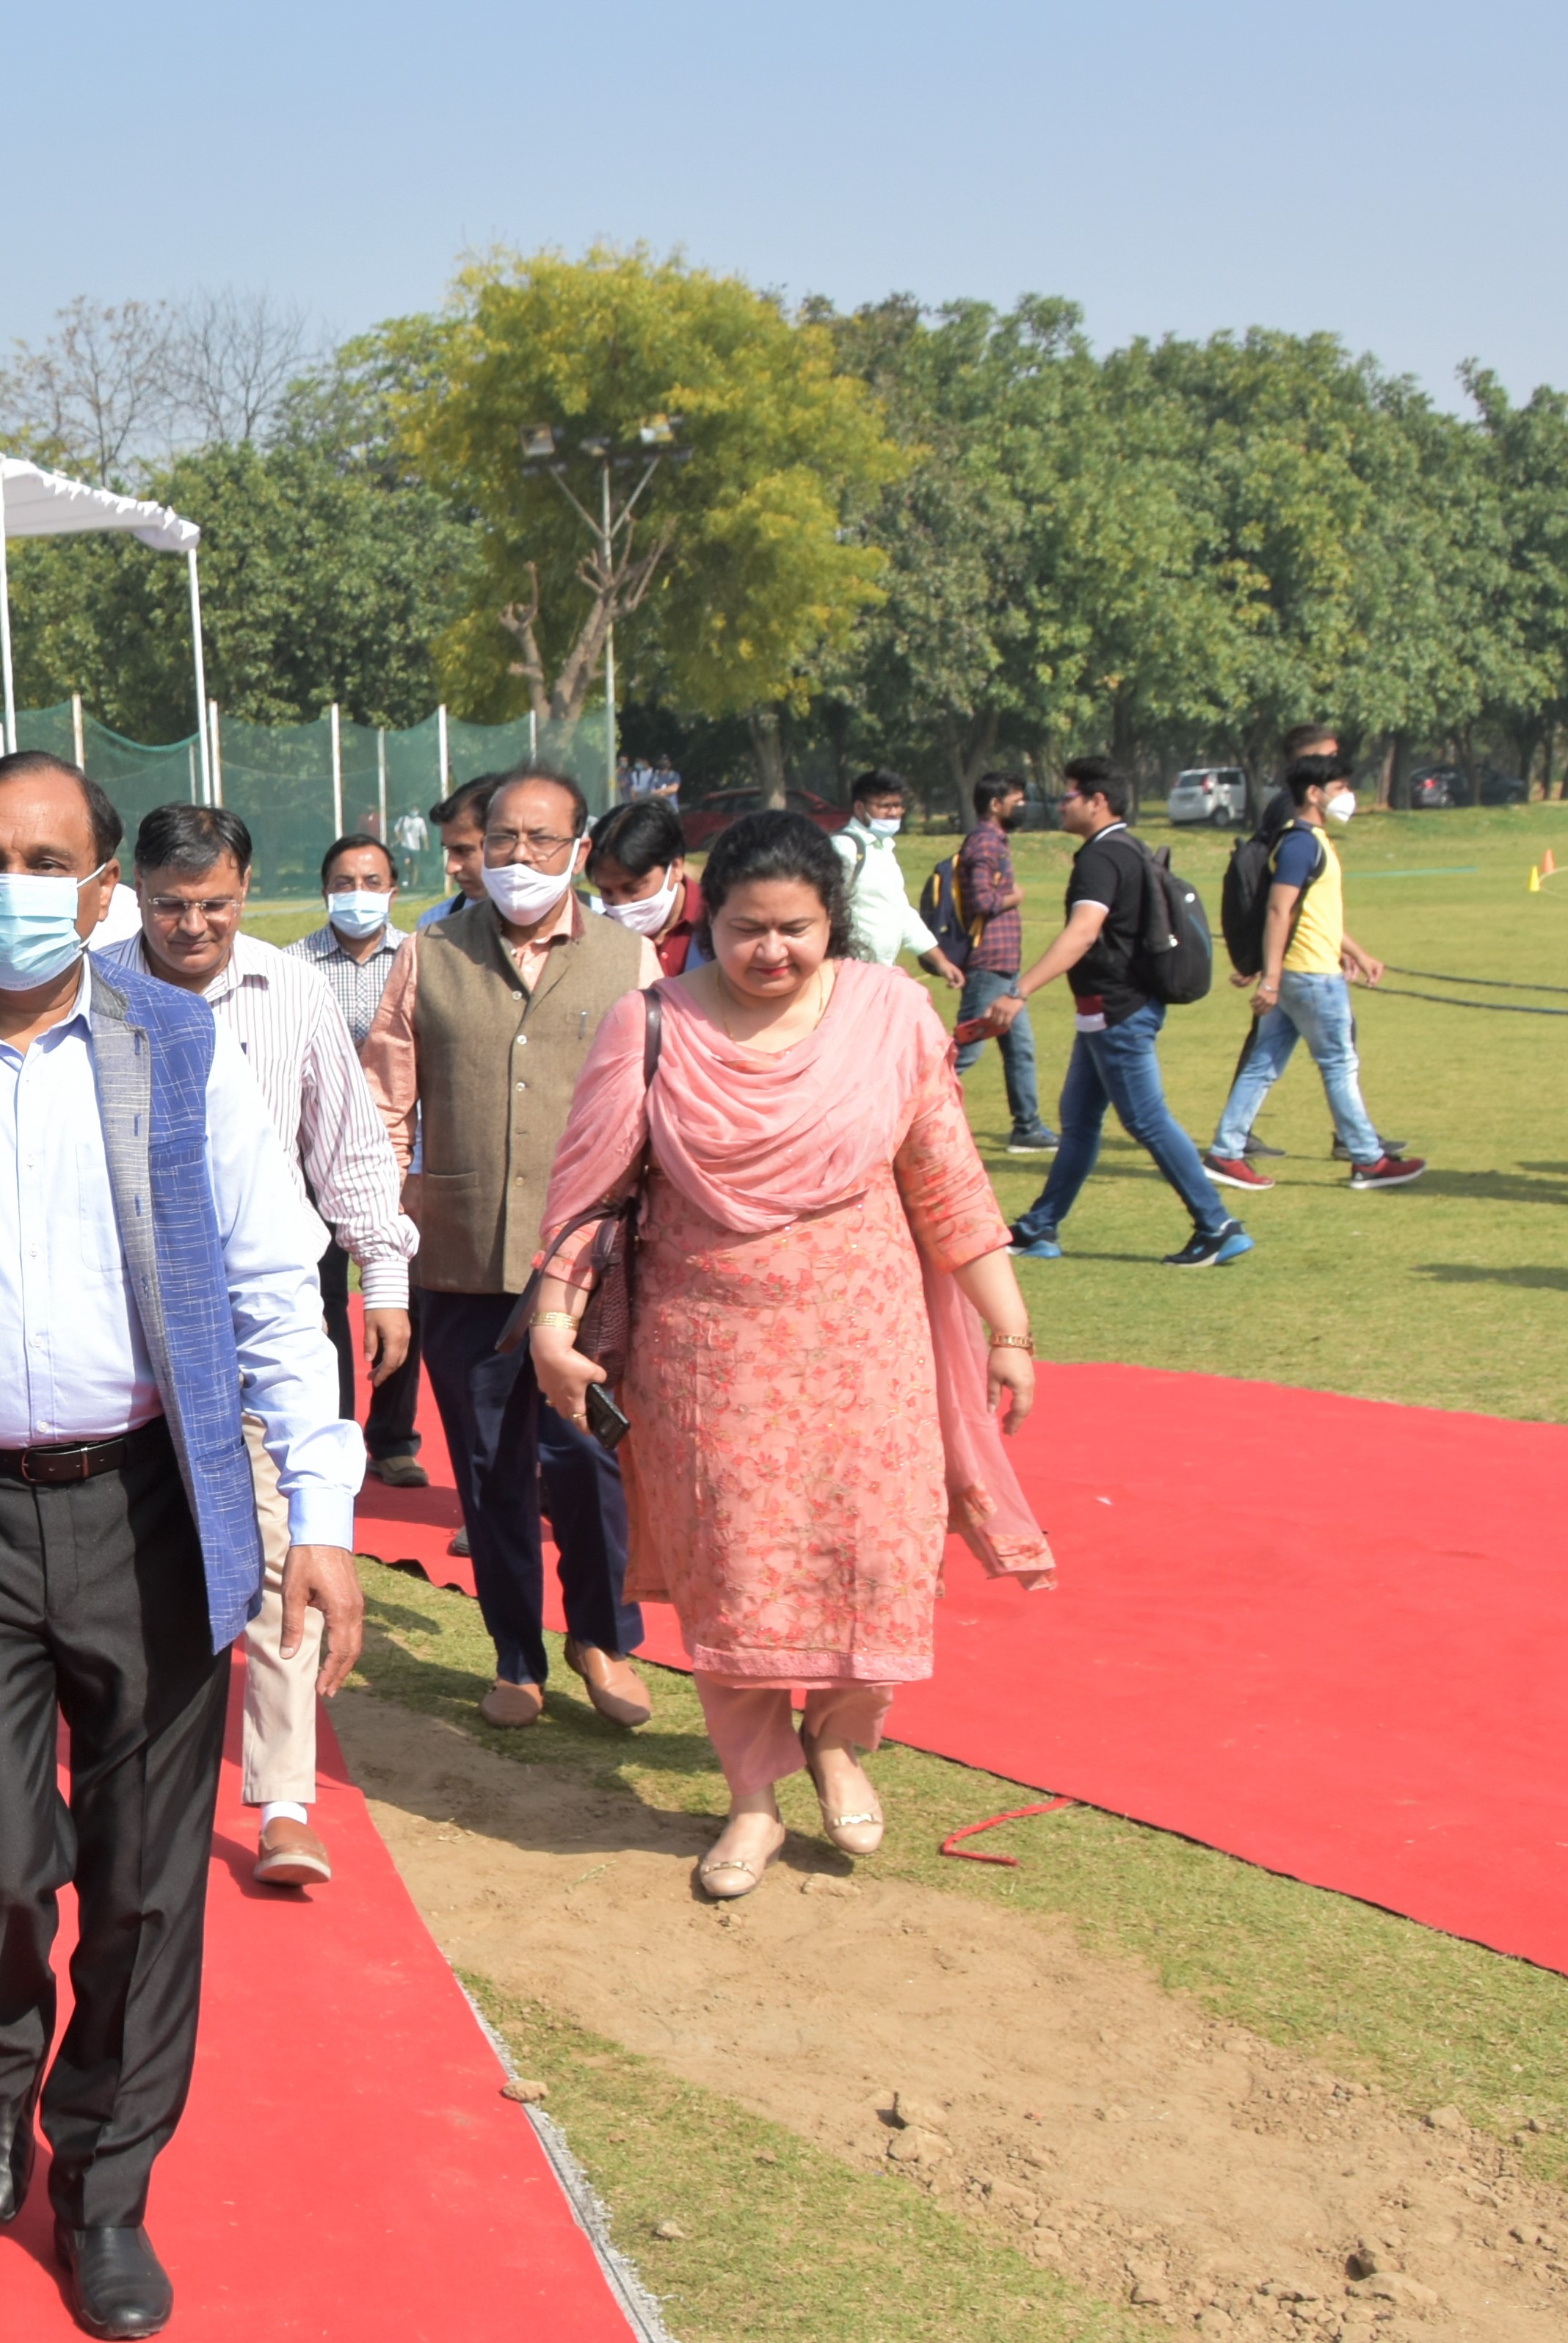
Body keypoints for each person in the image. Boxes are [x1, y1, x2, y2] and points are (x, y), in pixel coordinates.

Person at [0, 750, 365, 2343]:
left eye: (44, 858)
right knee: (1, 1862)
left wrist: (320, 1508)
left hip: (149, 1507)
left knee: (153, 1887)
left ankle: (106, 2184)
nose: (10, 884)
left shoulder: (173, 1043)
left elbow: (270, 1276)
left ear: (98, 889)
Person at [526, 811, 1053, 1900]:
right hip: (709, 1359)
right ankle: (753, 1797)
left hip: (870, 1354)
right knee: (736, 1579)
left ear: (834, 924)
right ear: (704, 919)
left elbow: (947, 1185)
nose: (771, 952)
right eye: (746, 930)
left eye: (797, 930)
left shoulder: (891, 1016)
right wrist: (548, 1326)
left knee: (874, 1561)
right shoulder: (650, 1024)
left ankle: (839, 1744)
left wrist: (1008, 1330)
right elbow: (585, 1197)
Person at [101, 804, 413, 1891]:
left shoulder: (292, 994)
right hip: (128, 1335)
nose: (193, 926)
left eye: (217, 905)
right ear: (131, 894)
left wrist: (386, 1276)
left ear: (249, 889)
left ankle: (283, 1795)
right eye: (170, 906)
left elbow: (349, 1144)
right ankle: (134, 1766)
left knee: (288, 1544)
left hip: (266, 1312)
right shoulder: (87, 987)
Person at [362, 766, 656, 1734]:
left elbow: (662, 1108)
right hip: (464, 1263)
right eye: (501, 839)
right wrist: (381, 1251)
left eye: (540, 839)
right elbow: (384, 1107)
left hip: (594, 1270)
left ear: (579, 848)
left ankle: (602, 1636)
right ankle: (514, 1652)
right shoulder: (428, 952)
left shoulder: (629, 961)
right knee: (489, 1468)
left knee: (588, 1459)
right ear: (475, 847)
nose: (518, 856)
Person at [974, 761, 1253, 1269]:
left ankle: (1216, 1224)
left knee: (1146, 1118)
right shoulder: (1128, 849)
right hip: (1112, 1011)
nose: (1062, 803)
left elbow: (1083, 933)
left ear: (1098, 801)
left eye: (1070, 795)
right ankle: (1040, 1227)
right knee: (1080, 1124)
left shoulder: (1102, 857)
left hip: (1117, 1010)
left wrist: (1021, 990)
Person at [1202, 749, 1424, 1192]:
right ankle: (1368, 1160)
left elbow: (1313, 913)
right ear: (1314, 793)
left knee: (1264, 1063)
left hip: (1301, 971)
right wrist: (1270, 977)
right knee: (1339, 1063)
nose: (1349, 797)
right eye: (1341, 788)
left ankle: (1226, 1153)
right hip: (1310, 977)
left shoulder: (1309, 841)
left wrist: (1358, 952)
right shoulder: (1302, 842)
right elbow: (1279, 910)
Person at [302, 832, 427, 1485]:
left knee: (394, 1294)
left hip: (398, 1159)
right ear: (325, 888)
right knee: (323, 1305)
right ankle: (336, 1434)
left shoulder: (417, 959)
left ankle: (394, 1437)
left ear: (393, 889)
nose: (358, 895)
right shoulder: (292, 964)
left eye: (372, 882)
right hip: (312, 1164)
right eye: (345, 882)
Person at [929, 775, 1053, 1151]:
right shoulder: (984, 842)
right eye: (1018, 800)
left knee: (1021, 1048)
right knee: (965, 1049)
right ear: (996, 804)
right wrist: (1015, 897)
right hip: (988, 965)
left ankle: (1027, 1127)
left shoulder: (995, 841)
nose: (1024, 807)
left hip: (1004, 965)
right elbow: (982, 900)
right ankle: (919, 1115)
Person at [830, 769, 950, 979]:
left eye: (898, 805)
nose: (894, 813)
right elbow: (824, 908)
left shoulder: (884, 849)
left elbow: (901, 912)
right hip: (848, 973)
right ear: (860, 807)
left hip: (880, 971)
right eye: (884, 806)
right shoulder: (845, 849)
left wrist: (940, 961)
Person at [584, 796, 701, 980]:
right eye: (607, 892)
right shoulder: (592, 939)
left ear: (676, 867)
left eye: (632, 888)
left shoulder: (722, 924)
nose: (621, 905)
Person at [415, 772, 499, 930]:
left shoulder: (558, 925)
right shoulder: (434, 927)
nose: (450, 868)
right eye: (448, 850)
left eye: (463, 850)